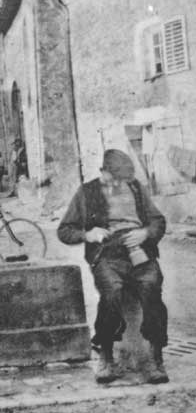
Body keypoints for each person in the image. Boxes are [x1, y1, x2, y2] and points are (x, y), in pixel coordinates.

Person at [57, 149, 169, 385]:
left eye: (123, 179)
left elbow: (158, 220)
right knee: (112, 292)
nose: (118, 183)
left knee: (152, 288)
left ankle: (155, 358)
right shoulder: (87, 192)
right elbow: (65, 230)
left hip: (139, 250)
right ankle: (106, 356)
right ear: (103, 172)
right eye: (114, 178)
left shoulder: (137, 189)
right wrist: (88, 234)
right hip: (107, 253)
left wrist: (145, 233)